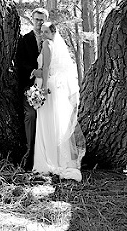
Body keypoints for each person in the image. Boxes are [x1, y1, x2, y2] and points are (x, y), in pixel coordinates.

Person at [32, 22, 86, 181]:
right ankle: (58, 160)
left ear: (53, 32)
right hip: (54, 86)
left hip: (47, 87)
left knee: (47, 124)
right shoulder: (55, 45)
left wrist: (41, 87)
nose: (43, 34)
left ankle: (49, 161)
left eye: (46, 31)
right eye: (41, 31)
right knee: (54, 124)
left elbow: (47, 68)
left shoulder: (47, 44)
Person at [15, 7, 48, 170]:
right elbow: (19, 62)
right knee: (31, 114)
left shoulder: (52, 39)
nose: (39, 22)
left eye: (42, 19)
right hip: (30, 84)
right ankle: (30, 153)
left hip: (49, 86)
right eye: (37, 19)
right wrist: (34, 71)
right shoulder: (25, 39)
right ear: (32, 20)